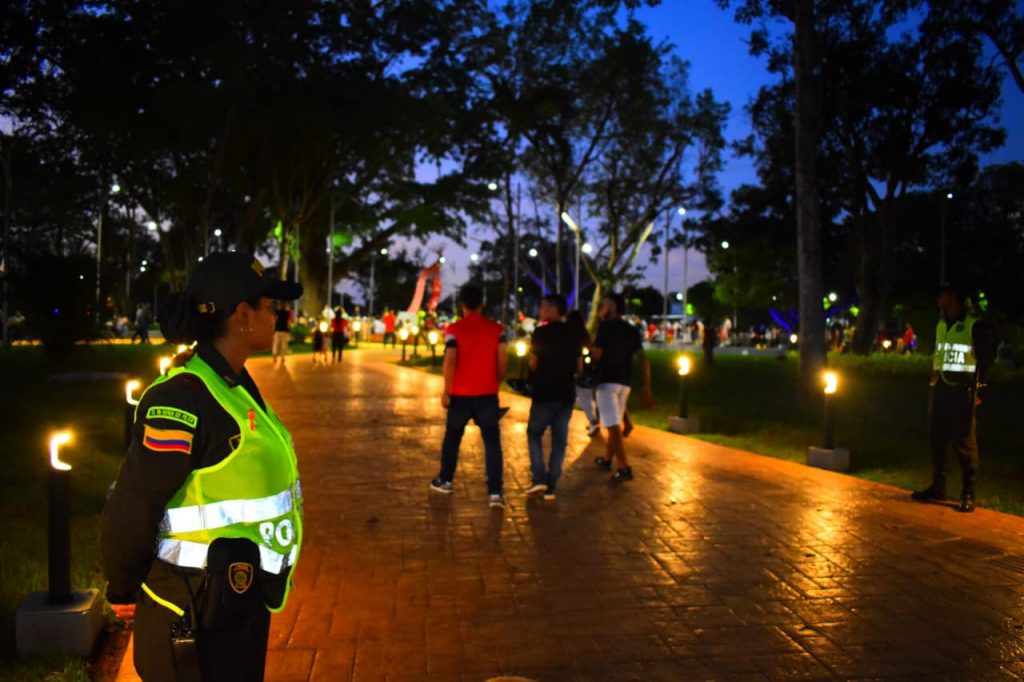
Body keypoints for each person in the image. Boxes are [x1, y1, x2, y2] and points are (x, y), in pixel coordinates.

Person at [102, 252, 304, 681]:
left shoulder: (232, 384)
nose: (280, 316)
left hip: (234, 601)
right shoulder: (183, 399)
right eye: (272, 307)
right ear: (243, 314)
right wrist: (122, 586)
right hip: (192, 613)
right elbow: (135, 501)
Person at [911, 284, 995, 513]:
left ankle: (968, 492)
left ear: (954, 298)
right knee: (936, 440)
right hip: (940, 391)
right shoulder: (941, 325)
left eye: (943, 295)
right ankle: (938, 486)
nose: (939, 299)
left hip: (962, 391)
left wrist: (980, 388)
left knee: (964, 443)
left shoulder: (973, 325)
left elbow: (986, 359)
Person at [430, 283, 508, 508]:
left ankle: (445, 479)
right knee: (492, 443)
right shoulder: (497, 330)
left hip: (461, 395)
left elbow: (450, 361)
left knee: (452, 439)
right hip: (487, 394)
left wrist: (447, 390)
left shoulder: (454, 330)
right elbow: (503, 361)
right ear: (481, 304)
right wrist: (497, 380)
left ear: (462, 305)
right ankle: (495, 492)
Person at [591, 293, 654, 482]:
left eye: (604, 305)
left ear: (613, 308)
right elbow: (643, 360)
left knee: (612, 427)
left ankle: (625, 467)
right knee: (615, 422)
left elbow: (596, 356)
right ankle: (607, 459)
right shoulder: (631, 330)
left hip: (607, 381)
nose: (601, 309)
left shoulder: (604, 328)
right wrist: (646, 387)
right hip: (624, 383)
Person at [525, 294, 582, 500]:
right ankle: (552, 484)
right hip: (565, 394)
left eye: (543, 307)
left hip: (544, 392)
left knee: (534, 433)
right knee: (559, 439)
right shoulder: (574, 333)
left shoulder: (540, 333)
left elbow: (533, 362)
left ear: (553, 309)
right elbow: (579, 367)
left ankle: (539, 477)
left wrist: (530, 378)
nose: (540, 311)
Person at [566, 310, 600, 437]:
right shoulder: (585, 336)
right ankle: (594, 420)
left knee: (584, 397)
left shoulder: (569, 336)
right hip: (588, 371)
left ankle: (593, 421)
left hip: (578, 372)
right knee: (588, 397)